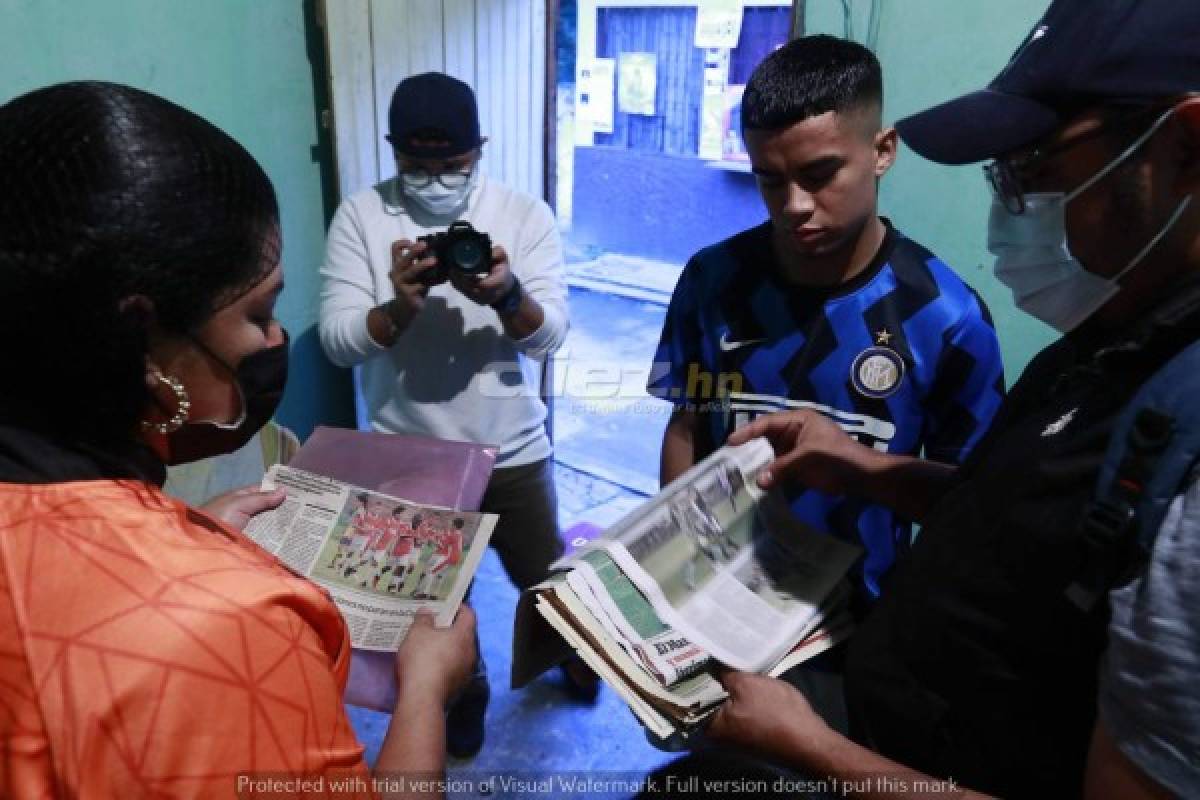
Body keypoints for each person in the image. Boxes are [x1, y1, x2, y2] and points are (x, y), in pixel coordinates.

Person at [702, 2, 1200, 797]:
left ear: (1182, 146)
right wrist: (870, 472)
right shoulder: (1109, 333)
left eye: (1035, 167)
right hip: (878, 707)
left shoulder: (953, 316)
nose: (1009, 205)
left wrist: (809, 748)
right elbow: (1019, 524)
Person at [0, 81, 476, 799]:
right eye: (260, 312)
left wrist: (183, 537)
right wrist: (424, 692)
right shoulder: (233, 630)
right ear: (144, 344)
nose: (277, 340)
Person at [649, 36, 1005, 611]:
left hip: (859, 617)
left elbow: (968, 503)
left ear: (882, 151)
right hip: (718, 599)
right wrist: (674, 571)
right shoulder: (711, 280)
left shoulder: (948, 318)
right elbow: (686, 428)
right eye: (770, 179)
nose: (793, 204)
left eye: (819, 175)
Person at [319, 71, 593, 757]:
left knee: (547, 577)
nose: (435, 180)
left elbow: (550, 335)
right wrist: (398, 308)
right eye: (416, 166)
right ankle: (465, 693)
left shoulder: (524, 214)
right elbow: (338, 341)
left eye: (454, 165)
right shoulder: (362, 214)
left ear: (482, 148)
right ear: (391, 150)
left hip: (516, 450)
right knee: (438, 610)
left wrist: (506, 294)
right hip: (411, 461)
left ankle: (573, 654)